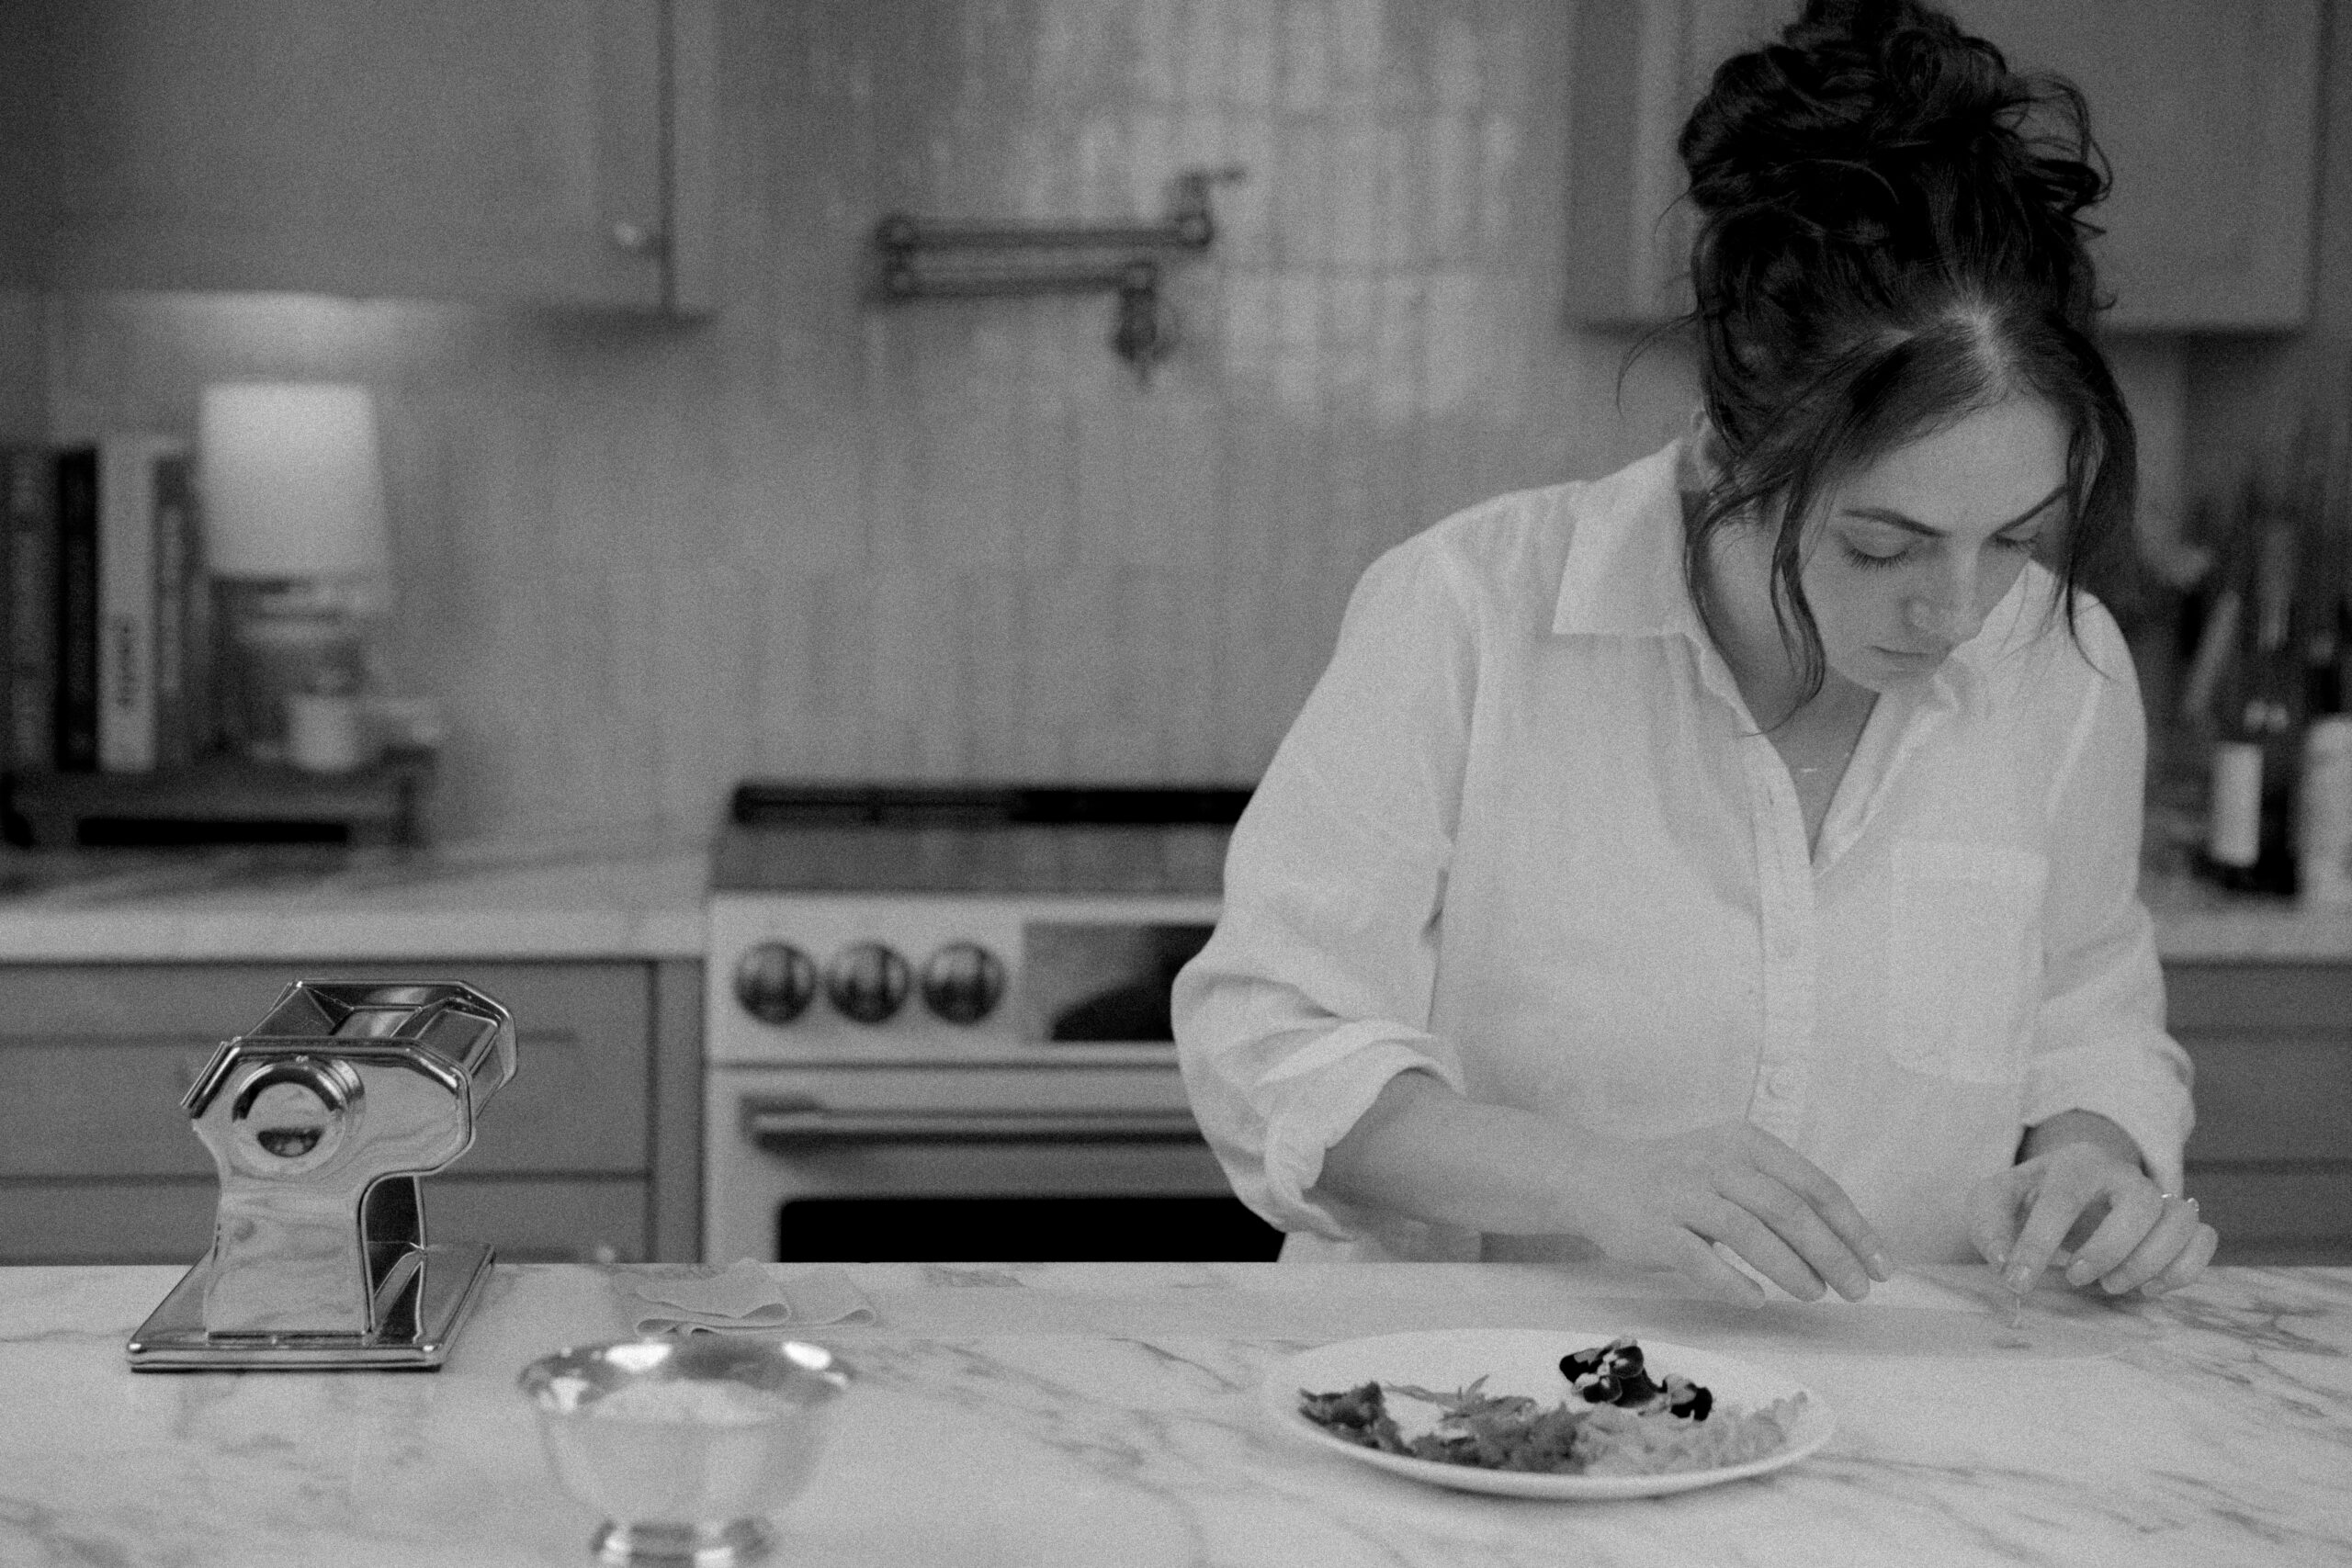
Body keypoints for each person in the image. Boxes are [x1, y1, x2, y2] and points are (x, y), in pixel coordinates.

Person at [1171, 0, 2219, 1306]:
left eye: (2011, 538)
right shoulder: (1467, 617)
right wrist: (1594, 1181)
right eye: (1884, 547)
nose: (1959, 609)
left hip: (1899, 1442)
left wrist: (2091, 1162)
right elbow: (1266, 1037)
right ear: (1731, 452)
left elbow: (2087, 1012)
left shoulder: (2069, 672)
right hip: (1479, 1418)